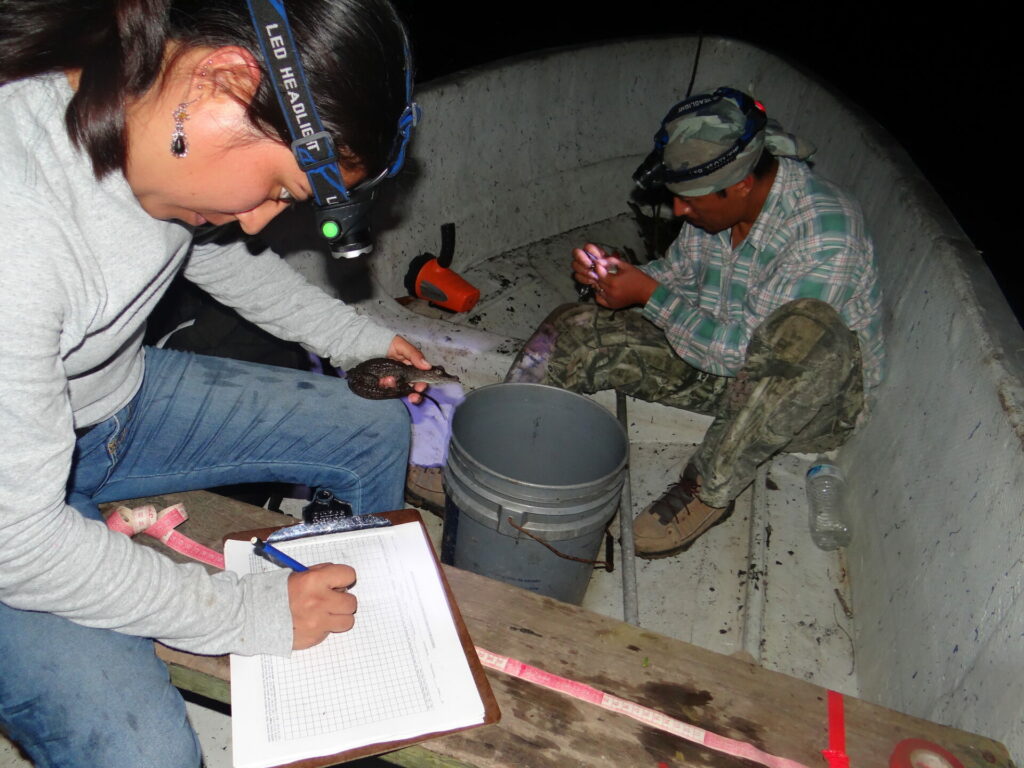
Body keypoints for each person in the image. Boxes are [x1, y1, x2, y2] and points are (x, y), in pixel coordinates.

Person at [0, 1, 430, 765]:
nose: (262, 222)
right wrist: (252, 613)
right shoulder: (18, 228)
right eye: (280, 189)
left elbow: (206, 247)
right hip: (14, 525)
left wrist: (354, 339)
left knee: (376, 424)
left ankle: (358, 687)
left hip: (109, 410)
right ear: (225, 79)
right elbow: (21, 543)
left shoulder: (145, 114)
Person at [507, 87, 884, 559]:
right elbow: (679, 275)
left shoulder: (827, 236)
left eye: (690, 201)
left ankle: (707, 489)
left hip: (805, 405)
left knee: (807, 328)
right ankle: (500, 437)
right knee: (576, 323)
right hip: (719, 364)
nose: (680, 210)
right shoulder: (715, 204)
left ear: (743, 183)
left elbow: (747, 353)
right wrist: (622, 279)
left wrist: (650, 296)